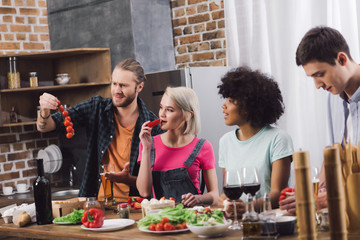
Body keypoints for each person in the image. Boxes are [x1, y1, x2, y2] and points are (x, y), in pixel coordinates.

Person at [36, 58, 163, 202]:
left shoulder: (153, 127)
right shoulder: (96, 108)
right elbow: (47, 126)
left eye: (123, 85)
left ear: (139, 87)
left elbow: (158, 183)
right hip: (96, 204)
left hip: (135, 207)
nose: (117, 90)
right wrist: (44, 111)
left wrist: (128, 179)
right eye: (114, 83)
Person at [280, 26, 360, 214]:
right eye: (312, 77)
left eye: (319, 74)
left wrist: (330, 198)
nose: (317, 85)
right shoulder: (333, 99)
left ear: (342, 59)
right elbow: (334, 153)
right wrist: (315, 192)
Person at [217, 66, 293, 216]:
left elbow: (278, 194)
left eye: (231, 101)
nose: (223, 105)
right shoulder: (225, 142)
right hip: (236, 222)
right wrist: (224, 202)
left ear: (248, 107)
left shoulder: (278, 139)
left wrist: (247, 207)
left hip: (269, 221)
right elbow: (225, 192)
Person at [136, 86, 219, 207]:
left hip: (191, 217)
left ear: (188, 115)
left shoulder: (203, 146)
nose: (162, 114)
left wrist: (198, 199)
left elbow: (215, 196)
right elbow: (144, 192)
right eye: (161, 108)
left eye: (169, 110)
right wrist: (146, 149)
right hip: (160, 220)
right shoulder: (148, 144)